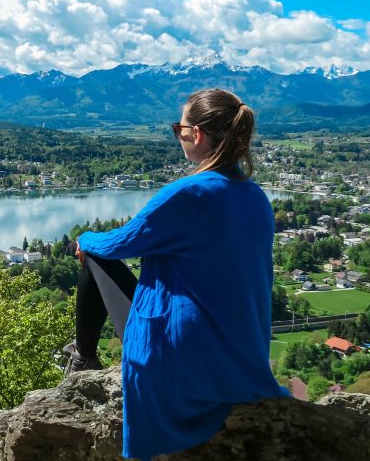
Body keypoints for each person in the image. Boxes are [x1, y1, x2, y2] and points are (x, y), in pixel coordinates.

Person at [75, 88, 289, 460]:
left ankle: (83, 358)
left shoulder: (188, 193)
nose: (179, 136)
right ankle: (82, 358)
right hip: (242, 355)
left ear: (198, 135)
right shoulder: (255, 197)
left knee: (95, 256)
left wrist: (83, 237)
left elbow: (118, 244)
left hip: (178, 354)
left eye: (181, 128)